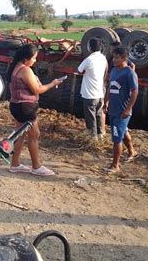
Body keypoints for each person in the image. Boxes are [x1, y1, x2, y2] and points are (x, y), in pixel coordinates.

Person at [6, 44, 63, 176]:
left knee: (20, 134)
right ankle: (36, 166)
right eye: (34, 58)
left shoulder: (15, 67)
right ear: (26, 59)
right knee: (34, 136)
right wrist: (53, 84)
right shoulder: (25, 70)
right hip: (26, 107)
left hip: (16, 104)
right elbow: (37, 90)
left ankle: (15, 164)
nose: (35, 61)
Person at [103, 47, 139, 174]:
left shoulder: (129, 73)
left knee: (116, 139)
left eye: (117, 58)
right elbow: (110, 87)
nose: (114, 60)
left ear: (124, 58)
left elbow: (135, 91)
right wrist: (105, 102)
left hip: (122, 111)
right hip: (113, 108)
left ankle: (115, 165)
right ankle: (132, 151)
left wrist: (128, 109)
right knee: (123, 133)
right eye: (113, 57)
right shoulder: (113, 71)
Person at [77, 38, 107, 140]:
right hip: (100, 93)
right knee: (98, 114)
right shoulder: (103, 58)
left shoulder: (89, 59)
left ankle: (92, 137)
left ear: (89, 47)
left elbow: (79, 70)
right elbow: (106, 71)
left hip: (89, 93)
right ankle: (100, 134)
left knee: (91, 116)